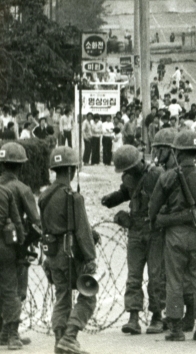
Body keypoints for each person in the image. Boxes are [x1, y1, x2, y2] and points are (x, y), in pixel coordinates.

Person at [148, 131, 196, 342]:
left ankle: (176, 328)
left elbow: (152, 208)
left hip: (174, 235)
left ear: (177, 152)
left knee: (174, 281)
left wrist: (160, 220)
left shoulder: (167, 177)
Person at [101, 145, 165, 335]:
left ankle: (157, 316)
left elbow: (168, 199)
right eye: (125, 170)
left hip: (154, 229)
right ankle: (133, 317)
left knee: (156, 276)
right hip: (135, 230)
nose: (128, 172)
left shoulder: (157, 175)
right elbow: (126, 192)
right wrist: (111, 199)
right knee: (134, 276)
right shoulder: (129, 178)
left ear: (139, 162)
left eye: (129, 168)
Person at [40, 146, 97, 354]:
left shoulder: (44, 196)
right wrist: (91, 258)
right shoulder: (73, 197)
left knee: (62, 297)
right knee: (88, 297)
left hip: (53, 254)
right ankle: (70, 336)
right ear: (72, 170)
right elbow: (82, 232)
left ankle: (60, 340)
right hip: (71, 255)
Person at [0, 142, 38, 347]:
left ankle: (3, 332)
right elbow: (35, 221)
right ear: (21, 166)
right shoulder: (21, 189)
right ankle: (12, 334)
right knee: (14, 290)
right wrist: (27, 243)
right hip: (13, 245)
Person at [0, 148, 24, 350]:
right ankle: (12, 335)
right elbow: (18, 223)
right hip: (5, 248)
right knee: (10, 291)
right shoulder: (8, 192)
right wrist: (22, 245)